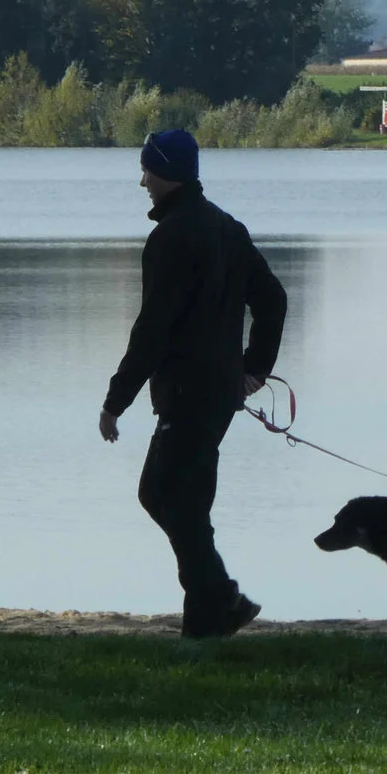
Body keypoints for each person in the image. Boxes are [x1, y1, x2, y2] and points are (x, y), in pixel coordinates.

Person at [98, 129, 288, 638]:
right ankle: (208, 620)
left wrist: (116, 400)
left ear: (167, 173)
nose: (142, 182)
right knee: (184, 502)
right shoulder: (226, 227)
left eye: (147, 171)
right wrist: (253, 367)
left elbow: (153, 329)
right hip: (220, 393)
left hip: (187, 393)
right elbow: (273, 300)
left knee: (162, 494)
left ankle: (222, 600)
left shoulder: (172, 236)